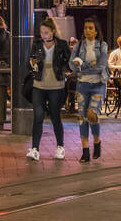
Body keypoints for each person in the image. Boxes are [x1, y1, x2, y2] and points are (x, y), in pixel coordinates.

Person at [28, 18, 70, 161]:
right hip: (39, 84)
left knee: (55, 116)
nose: (44, 35)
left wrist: (66, 68)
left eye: (46, 32)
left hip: (56, 85)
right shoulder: (37, 44)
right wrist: (33, 63)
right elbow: (30, 62)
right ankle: (35, 148)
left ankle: (60, 146)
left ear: (52, 31)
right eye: (41, 32)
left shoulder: (61, 45)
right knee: (38, 116)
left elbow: (68, 63)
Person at [70, 18, 109, 162]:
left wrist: (82, 66)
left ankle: (97, 141)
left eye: (90, 28)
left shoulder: (102, 45)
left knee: (92, 114)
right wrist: (85, 65)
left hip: (98, 84)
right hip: (82, 85)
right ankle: (85, 151)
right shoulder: (78, 45)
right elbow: (71, 64)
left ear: (96, 31)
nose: (87, 31)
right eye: (85, 28)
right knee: (82, 117)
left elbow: (102, 65)